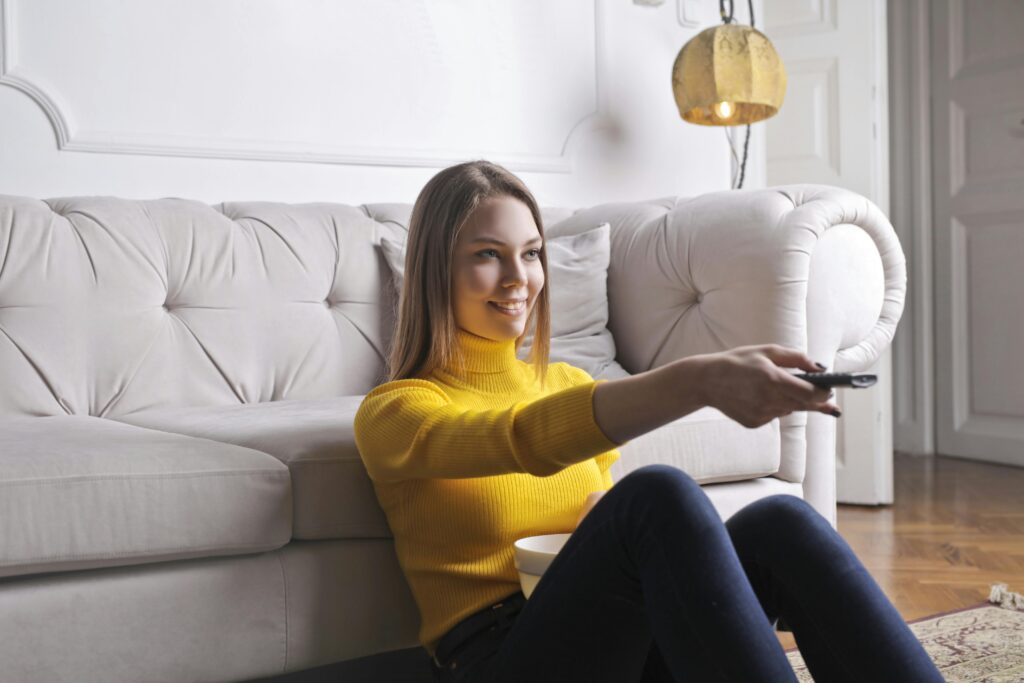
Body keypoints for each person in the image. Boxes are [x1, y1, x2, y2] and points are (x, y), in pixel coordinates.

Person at [353, 160, 944, 682]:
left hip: (621, 650)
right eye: (488, 254)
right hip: (500, 658)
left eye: (531, 253)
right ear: (436, 268)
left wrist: (598, 528)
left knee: (781, 523)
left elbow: (596, 539)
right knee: (655, 495)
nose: (519, 278)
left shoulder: (568, 385)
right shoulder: (396, 413)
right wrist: (700, 379)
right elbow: (523, 439)